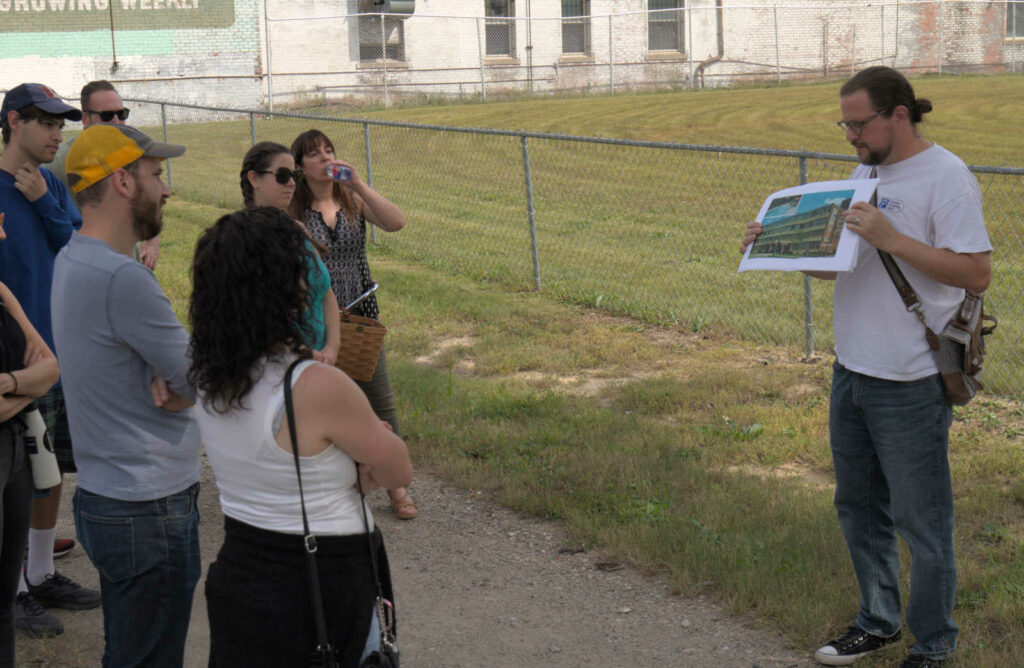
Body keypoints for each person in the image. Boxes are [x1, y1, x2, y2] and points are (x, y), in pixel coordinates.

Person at [742, 67, 991, 668]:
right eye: (845, 124)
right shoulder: (862, 175)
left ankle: (934, 646)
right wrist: (779, 244)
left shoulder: (947, 176)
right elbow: (840, 266)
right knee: (858, 506)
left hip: (911, 379)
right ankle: (877, 621)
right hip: (852, 369)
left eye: (860, 123)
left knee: (921, 521)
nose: (851, 135)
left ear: (898, 115)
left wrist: (891, 235)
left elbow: (975, 272)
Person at [189, 207, 413, 666]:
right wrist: (361, 462)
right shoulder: (313, 384)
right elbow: (398, 468)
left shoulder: (206, 370)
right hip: (322, 577)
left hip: (243, 565)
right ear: (284, 284)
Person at [51, 124, 200, 667]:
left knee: (130, 652)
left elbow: (185, 378)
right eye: (155, 175)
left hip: (110, 496)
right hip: (148, 504)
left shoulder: (74, 258)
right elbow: (200, 376)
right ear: (121, 181)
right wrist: (188, 387)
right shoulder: (123, 279)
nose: (165, 190)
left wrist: (185, 383)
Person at [0, 83, 100, 637]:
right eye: (47, 122)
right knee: (11, 472)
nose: (58, 133)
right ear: (15, 121)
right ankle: (10, 588)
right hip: (10, 358)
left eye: (61, 123)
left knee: (49, 467)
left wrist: (42, 200)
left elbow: (78, 249)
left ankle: (39, 572)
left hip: (53, 354)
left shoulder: (52, 186)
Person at [290, 129, 418, 520]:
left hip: (360, 316)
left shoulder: (352, 200)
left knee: (379, 399)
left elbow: (396, 223)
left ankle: (396, 486)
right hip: (316, 320)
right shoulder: (293, 212)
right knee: (323, 403)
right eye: (315, 154)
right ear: (299, 166)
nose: (325, 158)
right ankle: (334, 486)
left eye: (329, 150)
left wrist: (358, 181)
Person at [0, 211, 61, 662]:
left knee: (3, 600)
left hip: (14, 450)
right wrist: (27, 379)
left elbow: (51, 368)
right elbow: (37, 372)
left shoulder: (1, 292)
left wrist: (11, 384)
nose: (3, 230)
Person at [240, 141, 340, 364]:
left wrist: (332, 347)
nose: (292, 183)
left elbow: (326, 292)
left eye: (295, 175)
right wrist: (304, 353)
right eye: (283, 175)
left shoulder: (298, 230)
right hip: (279, 365)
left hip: (320, 361)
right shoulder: (244, 239)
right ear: (254, 179)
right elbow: (258, 315)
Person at [49, 80, 160, 270]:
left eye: (121, 114)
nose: (117, 122)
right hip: (89, 269)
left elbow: (150, 197)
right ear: (85, 119)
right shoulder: (60, 162)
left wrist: (152, 242)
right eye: (107, 116)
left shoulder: (131, 152)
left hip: (129, 265)